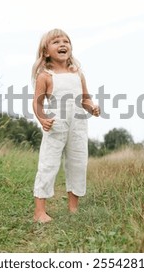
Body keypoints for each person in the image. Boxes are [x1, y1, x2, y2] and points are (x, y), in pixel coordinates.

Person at [31, 28, 100, 223]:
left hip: (78, 126)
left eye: (65, 41)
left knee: (78, 162)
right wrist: (43, 119)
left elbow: (84, 99)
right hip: (56, 126)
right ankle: (39, 212)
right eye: (56, 42)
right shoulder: (45, 75)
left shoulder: (78, 74)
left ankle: (73, 208)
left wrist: (92, 108)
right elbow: (37, 102)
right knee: (48, 164)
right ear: (46, 52)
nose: (62, 44)